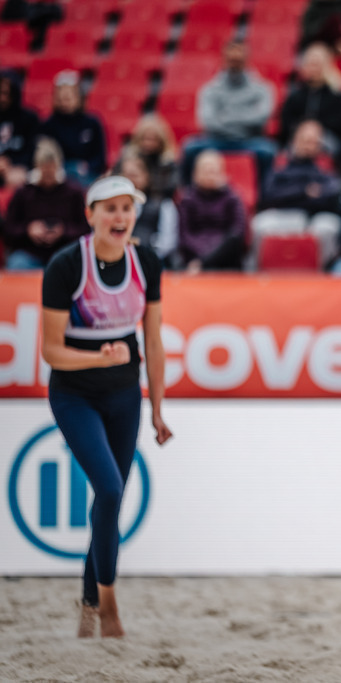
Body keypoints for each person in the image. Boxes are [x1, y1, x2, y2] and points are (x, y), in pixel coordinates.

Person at [40, 174, 173, 638]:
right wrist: (99, 357)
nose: (120, 216)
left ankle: (88, 602)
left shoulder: (146, 261)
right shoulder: (66, 265)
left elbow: (153, 341)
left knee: (109, 501)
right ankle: (109, 605)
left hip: (125, 394)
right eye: (110, 208)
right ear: (90, 215)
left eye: (127, 208)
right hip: (74, 394)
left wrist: (157, 408)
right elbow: (51, 351)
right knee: (111, 490)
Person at [180, 41, 278, 187]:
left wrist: (225, 117)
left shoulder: (262, 89)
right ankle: (189, 194)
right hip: (216, 140)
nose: (235, 64)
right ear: (224, 60)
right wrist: (244, 118)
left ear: (246, 60)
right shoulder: (210, 89)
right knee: (189, 148)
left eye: (239, 60)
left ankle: (265, 197)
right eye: (232, 60)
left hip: (249, 140)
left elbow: (261, 118)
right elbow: (207, 121)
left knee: (268, 151)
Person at [251, 120, 341, 269]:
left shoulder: (324, 168)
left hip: (312, 218)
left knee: (330, 225)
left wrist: (292, 195)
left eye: (313, 142)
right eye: (304, 140)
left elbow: (332, 195)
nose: (308, 145)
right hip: (283, 215)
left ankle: (323, 271)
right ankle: (257, 271)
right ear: (294, 141)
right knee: (259, 223)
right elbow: (269, 195)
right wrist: (304, 192)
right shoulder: (281, 166)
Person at [2, 138, 88, 269]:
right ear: (37, 167)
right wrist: (28, 230)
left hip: (64, 253)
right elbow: (8, 229)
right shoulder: (23, 193)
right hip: (30, 254)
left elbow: (85, 229)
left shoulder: (73, 193)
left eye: (52, 169)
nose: (48, 174)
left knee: (79, 263)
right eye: (44, 170)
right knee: (17, 264)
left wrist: (63, 230)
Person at [278, 43, 341, 174]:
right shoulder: (295, 95)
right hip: (298, 138)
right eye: (310, 64)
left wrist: (316, 129)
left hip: (326, 138)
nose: (313, 69)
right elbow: (286, 121)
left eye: (317, 64)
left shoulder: (336, 95)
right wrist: (302, 130)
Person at [176, 150, 247, 273]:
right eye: (205, 171)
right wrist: (202, 253)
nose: (209, 176)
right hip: (194, 255)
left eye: (213, 171)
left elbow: (237, 232)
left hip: (225, 257)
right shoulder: (187, 199)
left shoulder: (232, 198)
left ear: (222, 174)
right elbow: (185, 235)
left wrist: (206, 260)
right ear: (195, 174)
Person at [38, 70, 106, 186]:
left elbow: (100, 158)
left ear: (79, 98)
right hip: (58, 173)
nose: (64, 103)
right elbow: (45, 154)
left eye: (68, 98)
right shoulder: (48, 124)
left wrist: (86, 167)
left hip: (87, 174)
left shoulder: (92, 123)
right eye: (60, 99)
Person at [115, 153, 178, 266]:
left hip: (152, 262)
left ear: (147, 176)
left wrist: (147, 257)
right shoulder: (110, 206)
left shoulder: (163, 205)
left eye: (134, 175)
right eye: (126, 175)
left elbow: (167, 243)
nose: (130, 181)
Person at [119, 114, 178, 203]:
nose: (148, 143)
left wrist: (146, 183)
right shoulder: (129, 158)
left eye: (153, 139)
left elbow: (170, 188)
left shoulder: (167, 163)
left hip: (158, 202)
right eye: (145, 139)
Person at [0, 69, 39, 190]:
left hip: (19, 170)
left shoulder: (29, 119)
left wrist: (11, 165)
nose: (2, 98)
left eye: (6, 93)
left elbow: (32, 151)